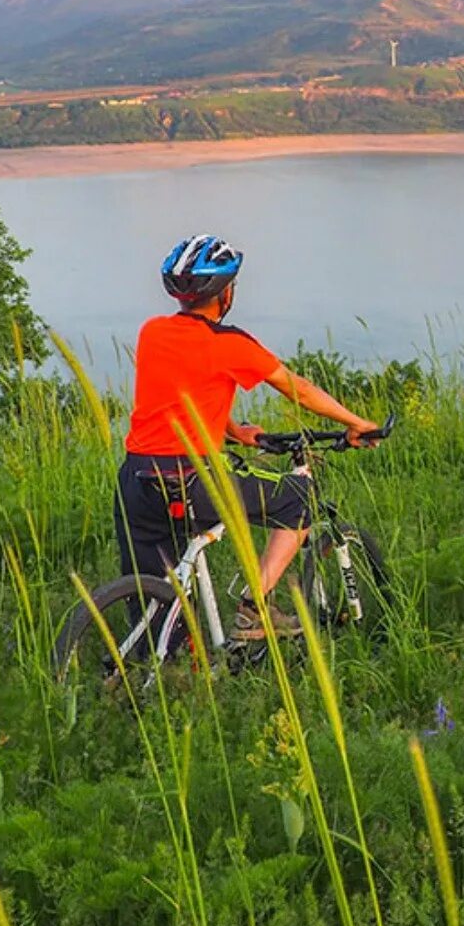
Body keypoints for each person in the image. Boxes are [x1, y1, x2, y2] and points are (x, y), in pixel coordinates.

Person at [115, 234, 379, 640]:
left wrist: (237, 432)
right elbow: (300, 389)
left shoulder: (152, 332)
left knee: (155, 598)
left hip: (135, 480)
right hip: (189, 480)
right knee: (299, 498)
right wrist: (357, 422)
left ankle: (148, 669)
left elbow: (178, 399)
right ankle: (255, 608)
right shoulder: (231, 344)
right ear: (225, 293)